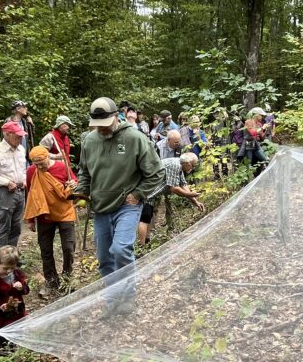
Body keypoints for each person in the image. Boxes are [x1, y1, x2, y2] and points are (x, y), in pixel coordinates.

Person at [74, 97, 164, 312]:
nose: (102, 130)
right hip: (100, 206)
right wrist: (80, 190)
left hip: (127, 205)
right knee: (105, 257)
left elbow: (157, 172)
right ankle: (113, 300)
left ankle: (128, 296)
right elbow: (84, 172)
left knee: (121, 248)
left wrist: (139, 193)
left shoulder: (134, 137)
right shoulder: (89, 140)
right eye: (98, 126)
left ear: (116, 116)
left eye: (105, 125)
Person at [26, 146, 77, 292]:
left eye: (42, 162)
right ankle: (51, 280)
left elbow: (73, 180)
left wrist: (73, 183)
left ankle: (67, 278)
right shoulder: (31, 171)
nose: (40, 166)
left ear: (48, 157)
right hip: (44, 214)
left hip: (64, 212)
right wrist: (30, 219)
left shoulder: (62, 167)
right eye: (36, 164)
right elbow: (31, 194)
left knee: (68, 247)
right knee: (46, 250)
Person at [138, 153, 205, 245]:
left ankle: (146, 241)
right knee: (144, 220)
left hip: (152, 194)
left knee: (149, 218)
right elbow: (174, 188)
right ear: (188, 163)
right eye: (193, 166)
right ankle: (141, 246)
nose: (192, 169)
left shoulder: (180, 166)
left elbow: (183, 184)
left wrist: (195, 201)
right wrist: (189, 194)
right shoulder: (175, 165)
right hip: (147, 193)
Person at [0, 121, 28, 252]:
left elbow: (23, 169)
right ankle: (1, 258)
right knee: (4, 226)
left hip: (21, 191)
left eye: (21, 136)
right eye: (17, 136)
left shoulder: (21, 149)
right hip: (5, 192)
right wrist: (6, 182)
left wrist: (24, 180)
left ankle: (12, 256)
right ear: (7, 134)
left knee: (16, 226)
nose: (20, 138)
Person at [39, 114, 76, 180]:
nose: (69, 128)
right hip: (53, 173)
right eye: (68, 125)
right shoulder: (50, 137)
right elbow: (40, 154)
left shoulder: (66, 137)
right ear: (61, 126)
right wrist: (55, 156)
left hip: (65, 171)